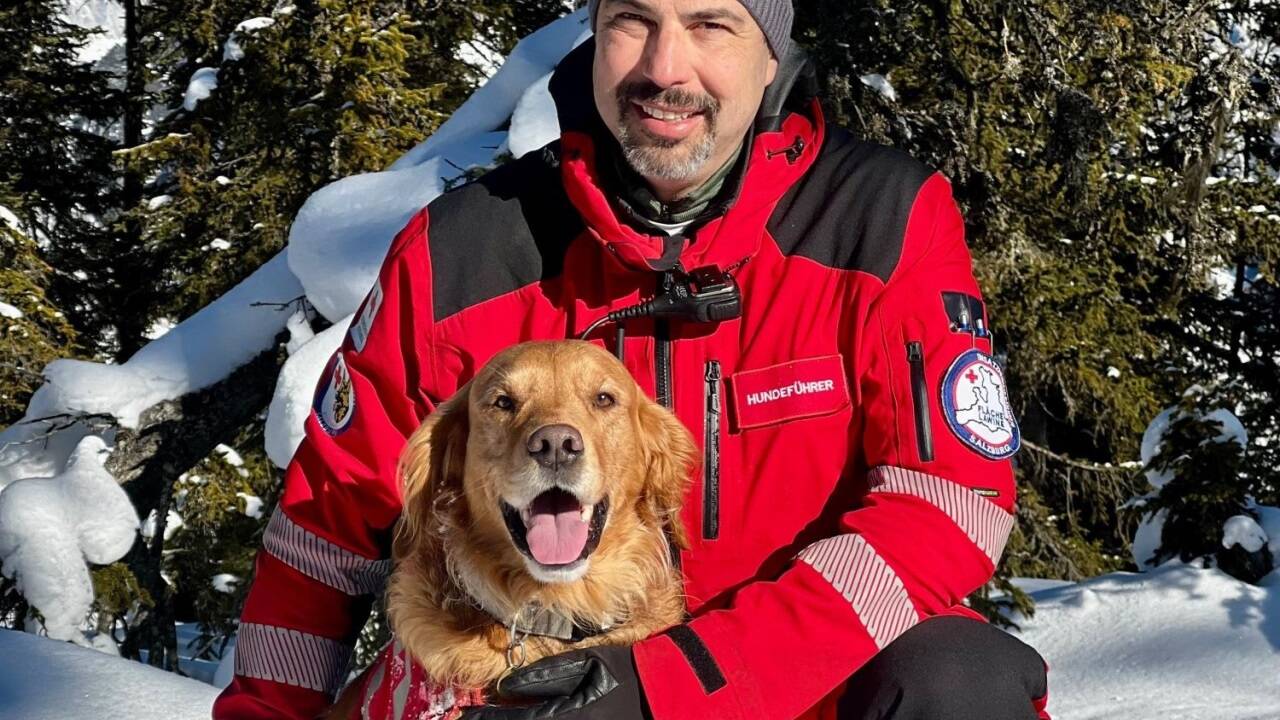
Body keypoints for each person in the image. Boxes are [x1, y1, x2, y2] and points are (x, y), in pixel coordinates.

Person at [213, 0, 1051, 718]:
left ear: (771, 54)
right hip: (532, 688)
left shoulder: (881, 217)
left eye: (711, 24)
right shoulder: (460, 252)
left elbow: (952, 504)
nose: (665, 67)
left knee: (960, 678)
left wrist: (672, 682)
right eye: (633, 21)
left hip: (804, 691)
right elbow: (322, 538)